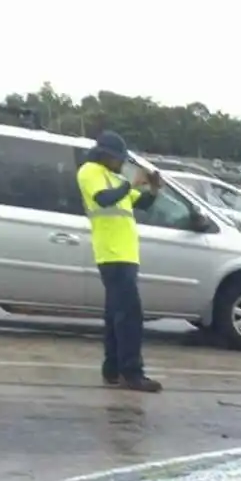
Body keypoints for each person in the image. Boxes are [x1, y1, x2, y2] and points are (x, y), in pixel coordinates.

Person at [76, 132, 163, 393]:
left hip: (126, 254)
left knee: (116, 315)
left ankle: (112, 369)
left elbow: (143, 204)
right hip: (111, 253)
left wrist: (153, 188)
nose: (120, 164)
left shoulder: (116, 178)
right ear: (105, 155)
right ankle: (132, 372)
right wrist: (131, 184)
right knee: (130, 316)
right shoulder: (89, 171)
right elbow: (103, 198)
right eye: (118, 159)